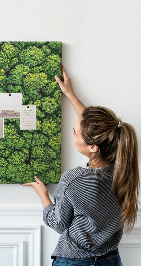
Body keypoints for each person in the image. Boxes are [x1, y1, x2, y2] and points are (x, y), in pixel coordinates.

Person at [22, 66, 139, 265]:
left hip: (74, 261)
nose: (72, 135)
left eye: (75, 132)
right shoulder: (123, 167)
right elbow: (98, 129)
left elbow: (58, 223)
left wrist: (43, 195)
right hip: (110, 260)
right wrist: (70, 94)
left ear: (93, 146)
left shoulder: (73, 180)